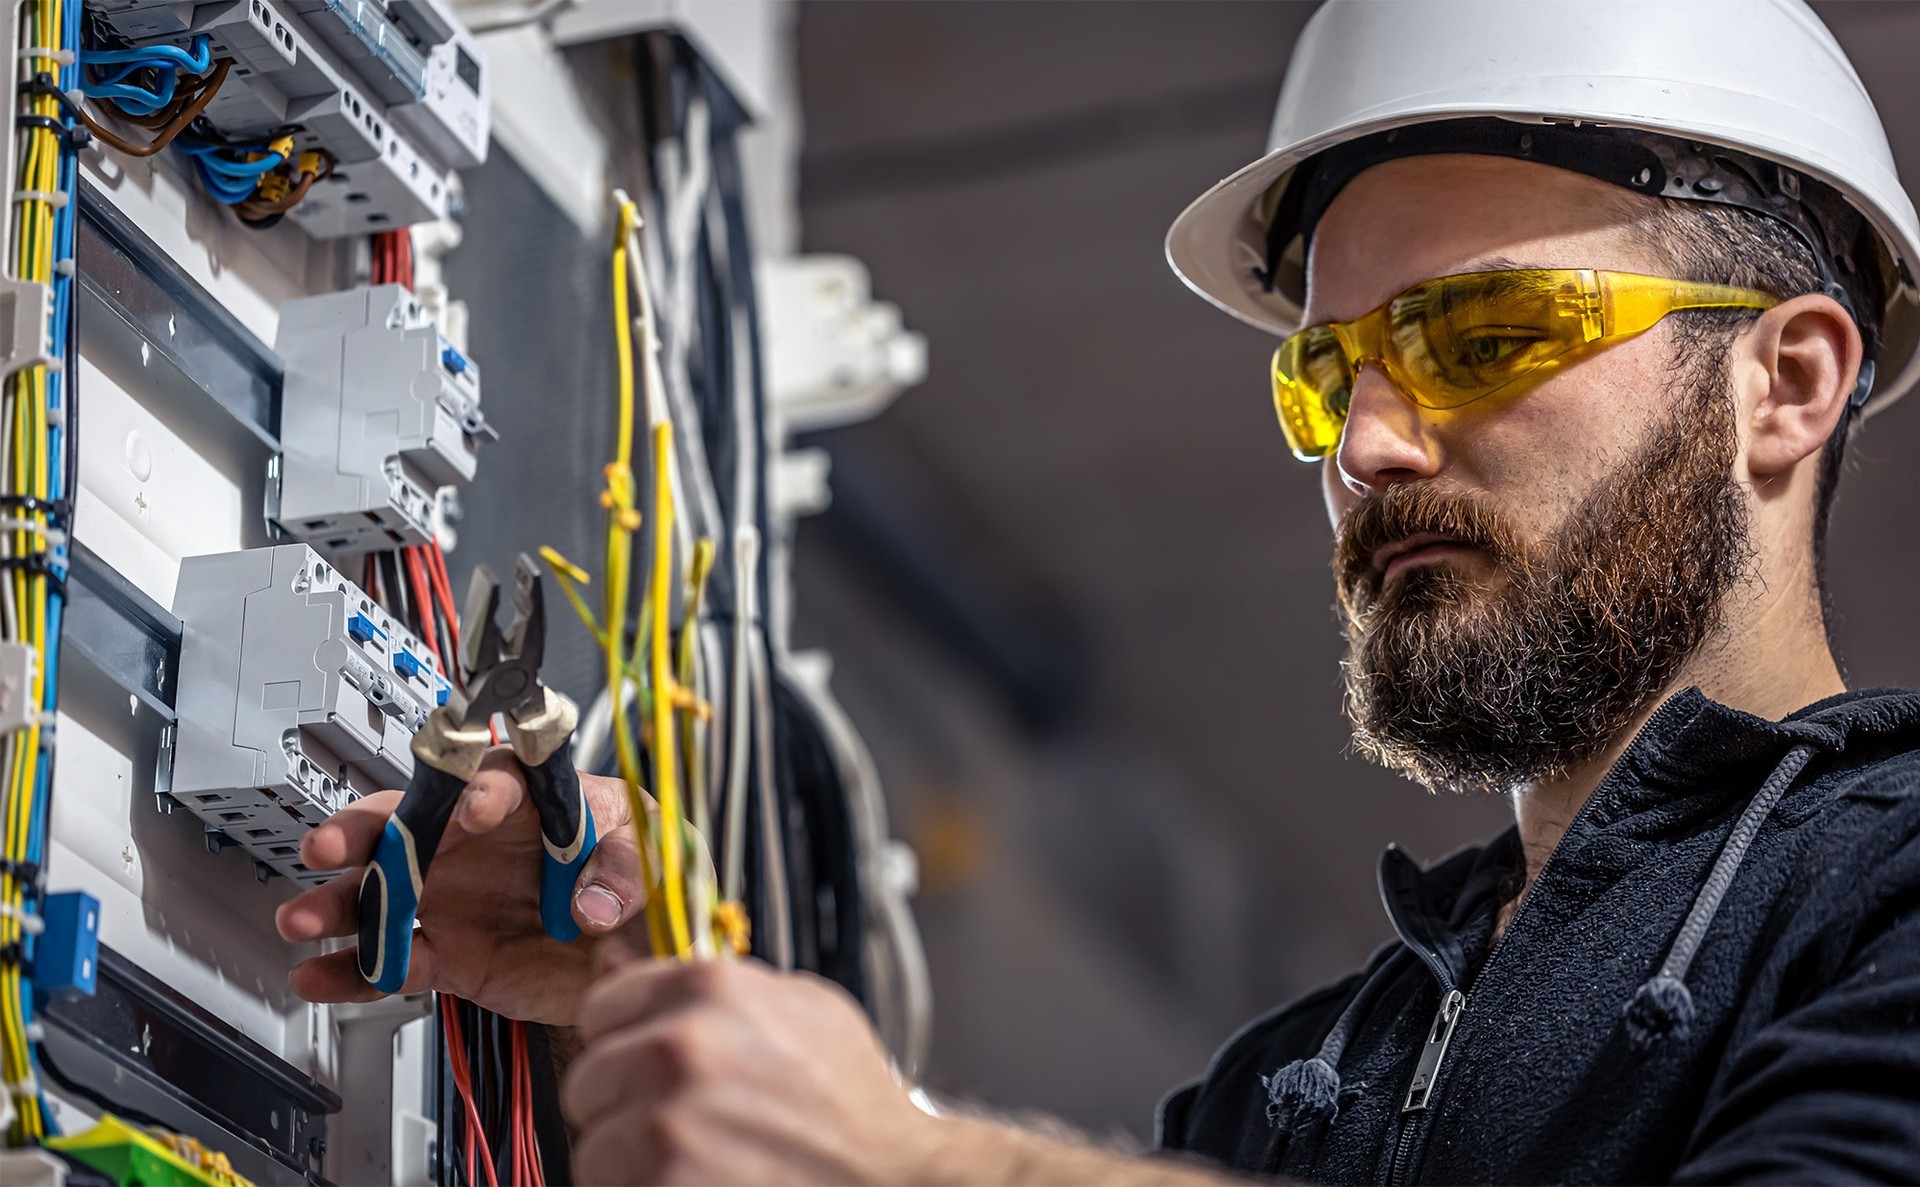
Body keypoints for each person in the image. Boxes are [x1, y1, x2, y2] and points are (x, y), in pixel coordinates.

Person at [275, 0, 1920, 1181]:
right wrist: (631, 1041)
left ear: (1786, 384)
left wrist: (913, 1167)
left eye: (1483, 337)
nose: (1368, 442)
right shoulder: (1296, 1090)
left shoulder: (1888, 890)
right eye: (1325, 370)